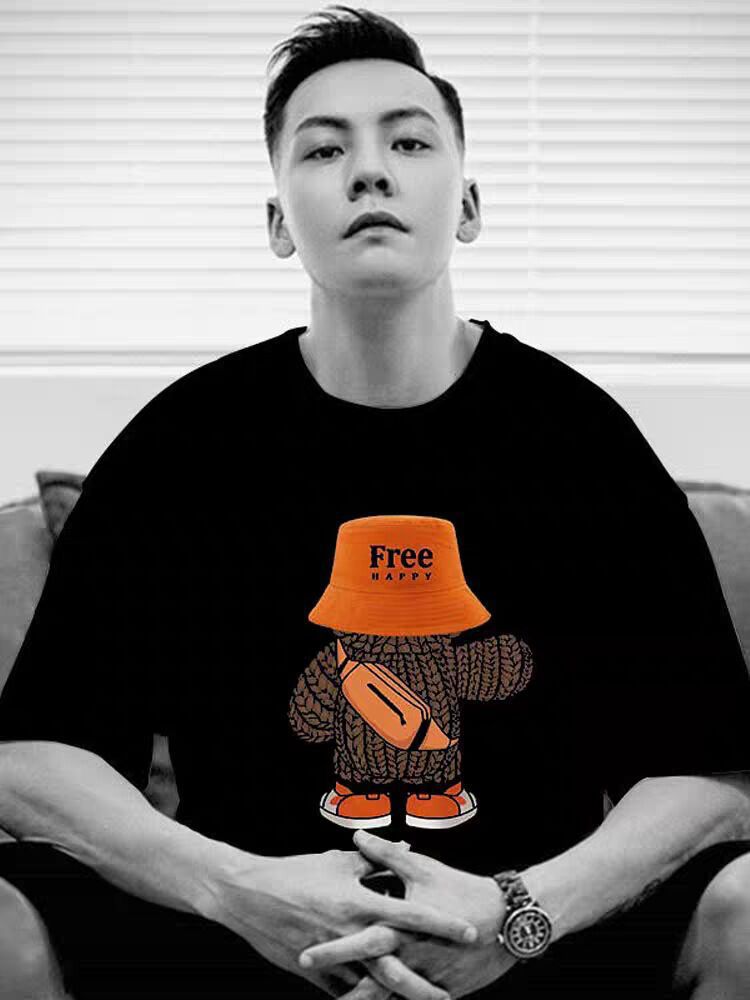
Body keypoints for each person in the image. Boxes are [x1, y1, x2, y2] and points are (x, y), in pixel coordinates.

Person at [1, 5, 750, 999]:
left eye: (408, 141)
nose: (369, 171)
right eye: (324, 149)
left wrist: (519, 911)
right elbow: (31, 756)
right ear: (279, 223)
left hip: (533, 937)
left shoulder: (578, 439)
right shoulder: (188, 442)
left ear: (467, 206)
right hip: (239, 936)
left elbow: (712, 773)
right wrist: (236, 889)